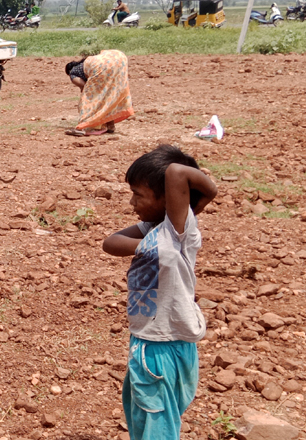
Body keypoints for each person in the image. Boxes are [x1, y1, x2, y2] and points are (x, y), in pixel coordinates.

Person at [102, 145, 217, 440]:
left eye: (138, 195)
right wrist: (148, 247)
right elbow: (110, 243)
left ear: (168, 198)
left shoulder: (177, 231)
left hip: (158, 346)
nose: (132, 203)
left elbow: (177, 172)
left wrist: (208, 192)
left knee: (155, 424)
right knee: (150, 418)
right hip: (160, 340)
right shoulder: (156, 230)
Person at [64, 50, 135, 136]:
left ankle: (85, 126)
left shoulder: (73, 73)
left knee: (90, 100)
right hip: (118, 58)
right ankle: (110, 125)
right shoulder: (86, 63)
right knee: (110, 96)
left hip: (101, 67)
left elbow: (85, 87)